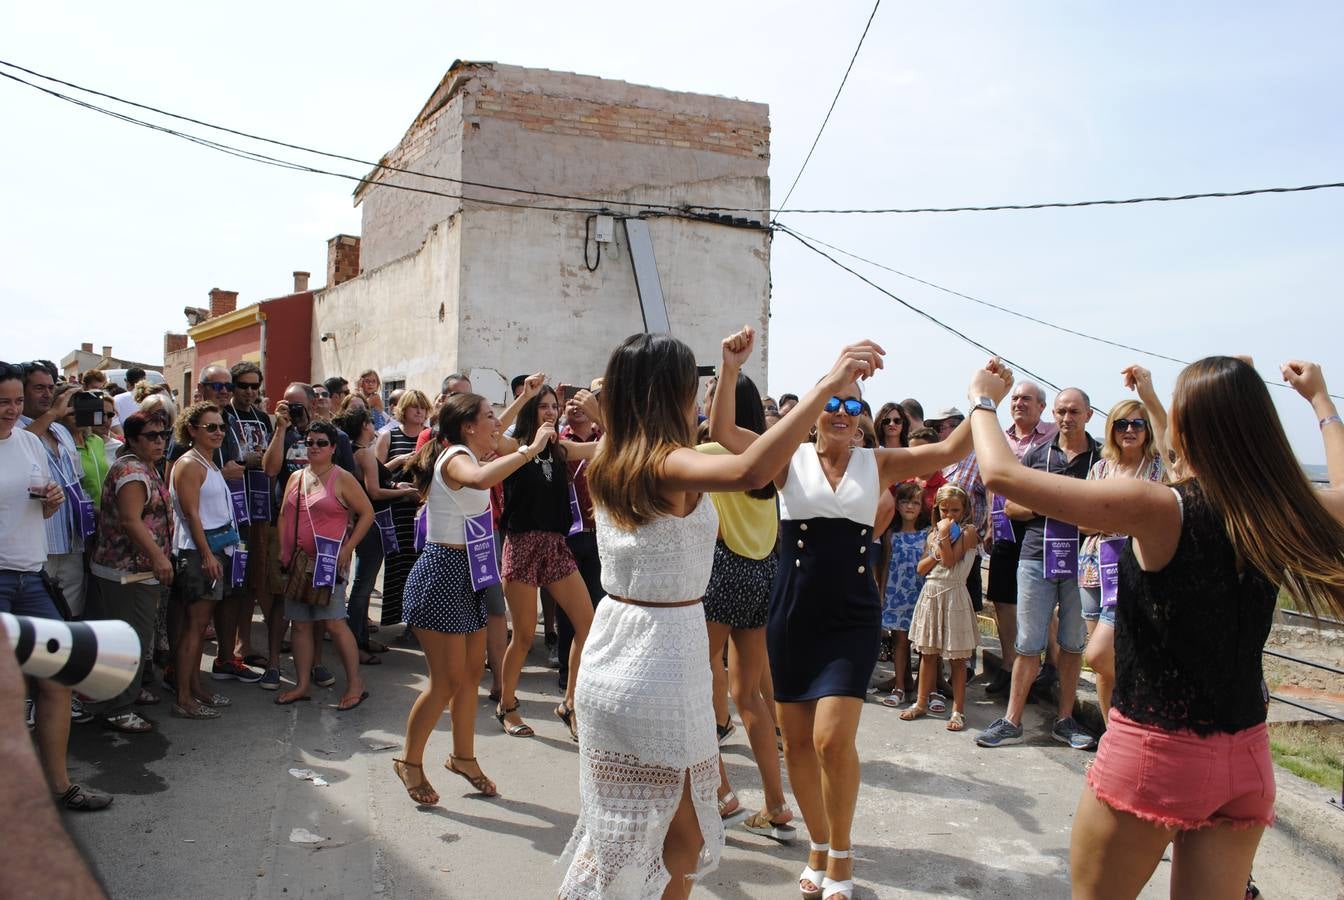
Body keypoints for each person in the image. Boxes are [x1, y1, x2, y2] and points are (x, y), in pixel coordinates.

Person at [970, 356, 1344, 899]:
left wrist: (983, 399)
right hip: (1246, 761)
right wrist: (1321, 403)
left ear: (1186, 426)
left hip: (1156, 755)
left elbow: (1003, 477)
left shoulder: (1159, 508)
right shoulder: (1281, 509)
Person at [558, 327, 882, 900]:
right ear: (671, 396)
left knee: (617, 835)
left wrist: (731, 374)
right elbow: (751, 471)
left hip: (612, 649)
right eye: (693, 386)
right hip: (661, 660)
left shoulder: (612, 455)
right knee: (680, 837)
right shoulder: (669, 464)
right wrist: (829, 384)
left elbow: (737, 450)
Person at [712, 347, 975, 900]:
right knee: (799, 744)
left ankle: (844, 851)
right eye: (831, 399)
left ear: (861, 419)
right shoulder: (788, 459)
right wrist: (729, 368)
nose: (839, 411)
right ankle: (819, 845)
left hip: (851, 617)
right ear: (815, 403)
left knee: (833, 740)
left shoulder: (876, 462)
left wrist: (983, 400)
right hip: (791, 614)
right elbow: (723, 432)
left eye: (851, 405)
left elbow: (952, 447)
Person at [391, 392, 555, 805]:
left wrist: (524, 399)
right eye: (489, 417)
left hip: (471, 573)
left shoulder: (469, 448)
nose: (497, 423)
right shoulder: (455, 458)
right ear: (467, 426)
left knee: (468, 678)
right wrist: (533, 450)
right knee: (445, 682)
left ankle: (463, 757)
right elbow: (483, 479)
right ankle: (409, 762)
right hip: (441, 575)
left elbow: (497, 437)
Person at [0, 361, 111, 811]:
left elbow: (42, 503)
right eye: (2, 402)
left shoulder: (29, 441)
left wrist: (52, 500)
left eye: (15, 402)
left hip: (32, 575)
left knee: (58, 678)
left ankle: (59, 786)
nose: (11, 410)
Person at [695, 371, 792, 840]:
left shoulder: (710, 454)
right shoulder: (770, 457)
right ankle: (776, 803)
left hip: (723, 570)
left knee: (694, 686)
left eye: (713, 398)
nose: (708, 405)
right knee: (749, 695)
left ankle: (722, 793)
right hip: (761, 572)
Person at [977, 387, 1099, 751]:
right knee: (1028, 642)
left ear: (1088, 415)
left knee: (1073, 643)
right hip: (1034, 556)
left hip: (1081, 560)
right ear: (1054, 414)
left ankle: (1065, 720)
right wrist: (1060, 504)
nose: (1067, 417)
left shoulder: (1100, 460)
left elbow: (1102, 516)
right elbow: (1012, 507)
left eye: (1074, 411)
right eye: (1062, 411)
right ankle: (1012, 720)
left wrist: (1049, 503)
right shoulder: (1036, 456)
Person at [495, 382, 599, 738]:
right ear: (530, 412)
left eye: (554, 406)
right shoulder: (517, 447)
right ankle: (507, 705)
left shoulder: (561, 449)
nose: (551, 412)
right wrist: (523, 396)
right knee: (523, 635)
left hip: (555, 545)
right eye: (543, 407)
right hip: (522, 544)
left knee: (588, 626)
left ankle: (570, 703)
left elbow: (608, 448)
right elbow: (493, 436)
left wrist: (600, 413)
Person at [1078, 372, 1167, 722]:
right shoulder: (1100, 469)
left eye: (1137, 424)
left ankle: (1136, 726)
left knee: (1132, 655)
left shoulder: (1159, 469)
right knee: (1100, 663)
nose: (1129, 430)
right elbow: (1081, 521)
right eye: (1121, 424)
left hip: (1138, 570)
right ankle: (1110, 734)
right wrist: (1119, 524)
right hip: (1094, 569)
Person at [274, 420, 375, 709]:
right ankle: (302, 684)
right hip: (298, 563)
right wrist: (284, 551)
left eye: (321, 443)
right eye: (309, 442)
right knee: (301, 625)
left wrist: (347, 548)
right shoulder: (296, 477)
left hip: (328, 563)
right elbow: (283, 514)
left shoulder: (342, 478)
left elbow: (367, 513)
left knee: (333, 622)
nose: (314, 447)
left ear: (333, 448)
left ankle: (356, 683)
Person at [86, 410, 174, 733]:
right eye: (152, 436)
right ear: (133, 439)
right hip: (127, 572)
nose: (160, 441)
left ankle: (128, 693)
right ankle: (117, 708)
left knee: (137, 636)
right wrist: (159, 558)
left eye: (164, 435)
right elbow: (130, 521)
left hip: (139, 571)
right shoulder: (132, 471)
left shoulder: (146, 466)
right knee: (130, 639)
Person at [983, 381, 1058, 695]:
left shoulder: (1055, 434)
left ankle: (1051, 665)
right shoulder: (999, 437)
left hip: (1041, 526)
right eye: (1014, 398)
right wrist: (989, 521)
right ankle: (1010, 664)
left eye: (1026, 399)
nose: (1019, 403)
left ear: (1041, 406)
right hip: (1003, 525)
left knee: (1043, 597)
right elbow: (992, 481)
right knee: (1002, 596)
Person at [167, 402, 237, 720]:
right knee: (193, 628)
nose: (218, 432)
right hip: (198, 553)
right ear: (192, 430)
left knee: (198, 625)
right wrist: (207, 554)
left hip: (212, 550)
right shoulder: (189, 464)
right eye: (211, 427)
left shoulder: (207, 462)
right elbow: (191, 513)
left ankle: (195, 688)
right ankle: (184, 698)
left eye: (221, 426)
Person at [338, 407, 418, 661]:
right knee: (365, 583)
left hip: (361, 522)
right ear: (364, 426)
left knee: (363, 581)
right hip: (371, 523)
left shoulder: (352, 450)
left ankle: (360, 638)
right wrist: (405, 492)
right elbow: (374, 491)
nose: (375, 427)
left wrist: (395, 475)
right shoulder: (362, 452)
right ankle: (355, 644)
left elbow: (378, 478)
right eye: (371, 424)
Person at [900, 484, 980, 732]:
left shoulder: (968, 532)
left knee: (957, 658)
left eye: (955, 510)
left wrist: (944, 536)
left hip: (954, 592)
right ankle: (921, 702)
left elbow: (949, 560)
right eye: (944, 510)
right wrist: (937, 544)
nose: (949, 515)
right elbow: (922, 568)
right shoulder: (932, 533)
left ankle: (958, 710)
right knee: (928, 654)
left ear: (965, 509)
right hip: (932, 593)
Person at [19, 362, 90, 621]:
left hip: (71, 542)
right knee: (37, 624)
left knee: (70, 618)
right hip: (40, 546)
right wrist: (52, 414)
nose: (47, 394)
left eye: (50, 388)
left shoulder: (61, 431)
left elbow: (76, 479)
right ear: (23, 391)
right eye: (39, 388)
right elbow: (18, 447)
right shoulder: (14, 430)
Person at [373, 390, 431, 629]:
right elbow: (376, 471)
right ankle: (401, 619)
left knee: (421, 565)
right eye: (414, 407)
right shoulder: (389, 436)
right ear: (402, 410)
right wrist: (399, 462)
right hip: (397, 508)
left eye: (423, 407)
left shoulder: (430, 437)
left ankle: (418, 623)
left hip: (422, 509)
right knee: (399, 564)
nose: (419, 412)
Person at [877, 481, 928, 707]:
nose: (910, 506)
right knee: (899, 640)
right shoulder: (891, 534)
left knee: (924, 643)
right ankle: (899, 685)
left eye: (915, 502)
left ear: (921, 507)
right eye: (905, 501)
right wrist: (882, 591)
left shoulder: (928, 534)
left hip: (920, 593)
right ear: (896, 505)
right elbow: (886, 564)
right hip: (896, 593)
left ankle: (923, 687)